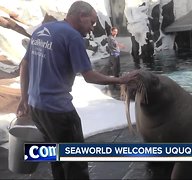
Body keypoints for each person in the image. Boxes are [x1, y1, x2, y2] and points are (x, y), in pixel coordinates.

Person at [16, 1, 137, 179]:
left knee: (55, 157)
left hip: (37, 108)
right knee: (76, 161)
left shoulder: (42, 31)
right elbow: (89, 76)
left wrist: (24, 98)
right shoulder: (72, 36)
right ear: (82, 16)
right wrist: (120, 80)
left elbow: (24, 65)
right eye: (92, 22)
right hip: (58, 111)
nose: (92, 28)